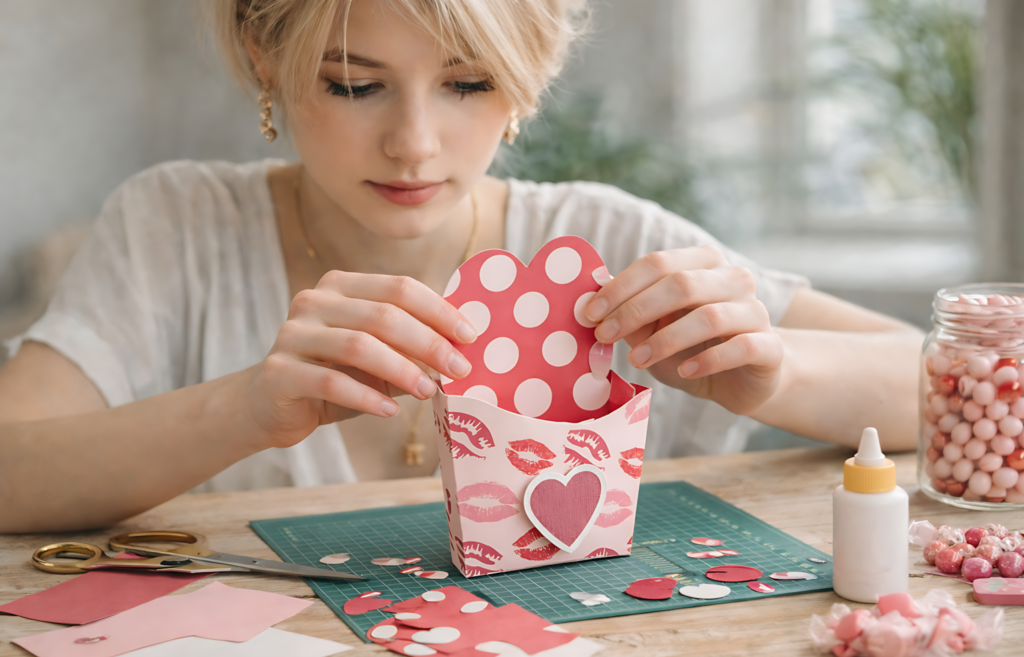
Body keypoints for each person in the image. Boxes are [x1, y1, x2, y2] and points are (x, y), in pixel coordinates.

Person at [0, 0, 922, 534]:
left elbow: (976, 384)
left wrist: (780, 371)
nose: (414, 143)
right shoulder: (176, 225)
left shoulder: (605, 238)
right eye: (353, 84)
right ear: (262, 53)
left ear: (527, 75)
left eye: (468, 82)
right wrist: (241, 408)